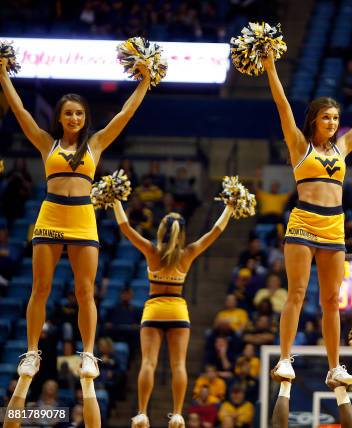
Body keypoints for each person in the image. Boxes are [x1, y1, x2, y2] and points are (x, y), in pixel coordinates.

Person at [0, 54, 151, 428]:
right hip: (50, 215)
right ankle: (32, 352)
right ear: (60, 117)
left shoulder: (96, 145)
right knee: (40, 288)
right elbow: (18, 108)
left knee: (85, 291)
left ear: (85, 119)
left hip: (83, 218)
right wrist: (2, 73)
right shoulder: (44, 142)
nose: (74, 119)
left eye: (79, 114)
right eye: (68, 114)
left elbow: (124, 116)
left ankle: (88, 354)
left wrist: (145, 81)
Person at [262, 45, 352, 385]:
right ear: (314, 120)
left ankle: (335, 366)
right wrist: (269, 67)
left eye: (336, 118)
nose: (332, 122)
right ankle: (284, 359)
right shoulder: (300, 145)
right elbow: (282, 105)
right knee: (296, 292)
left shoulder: (343, 147)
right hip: (303, 223)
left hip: (334, 226)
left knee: (331, 300)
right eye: (326, 117)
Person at [111, 199, 234, 428]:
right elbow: (215, 231)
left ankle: (142, 413)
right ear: (182, 233)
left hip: (154, 310)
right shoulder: (188, 253)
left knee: (148, 362)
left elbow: (126, 227)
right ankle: (177, 414)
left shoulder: (150, 250)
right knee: (179, 365)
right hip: (178, 310)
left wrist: (116, 201)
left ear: (161, 230)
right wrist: (229, 208)